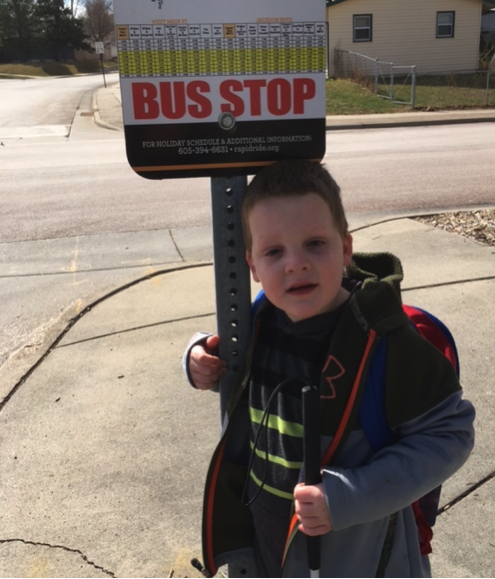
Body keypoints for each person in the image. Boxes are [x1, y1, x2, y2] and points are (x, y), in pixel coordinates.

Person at [183, 160, 475, 578]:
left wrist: (345, 499)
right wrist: (196, 360)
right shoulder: (259, 323)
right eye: (274, 251)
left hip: (357, 556)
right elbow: (235, 374)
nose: (295, 263)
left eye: (315, 243)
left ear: (346, 248)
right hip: (268, 543)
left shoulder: (383, 340)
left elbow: (451, 433)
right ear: (252, 266)